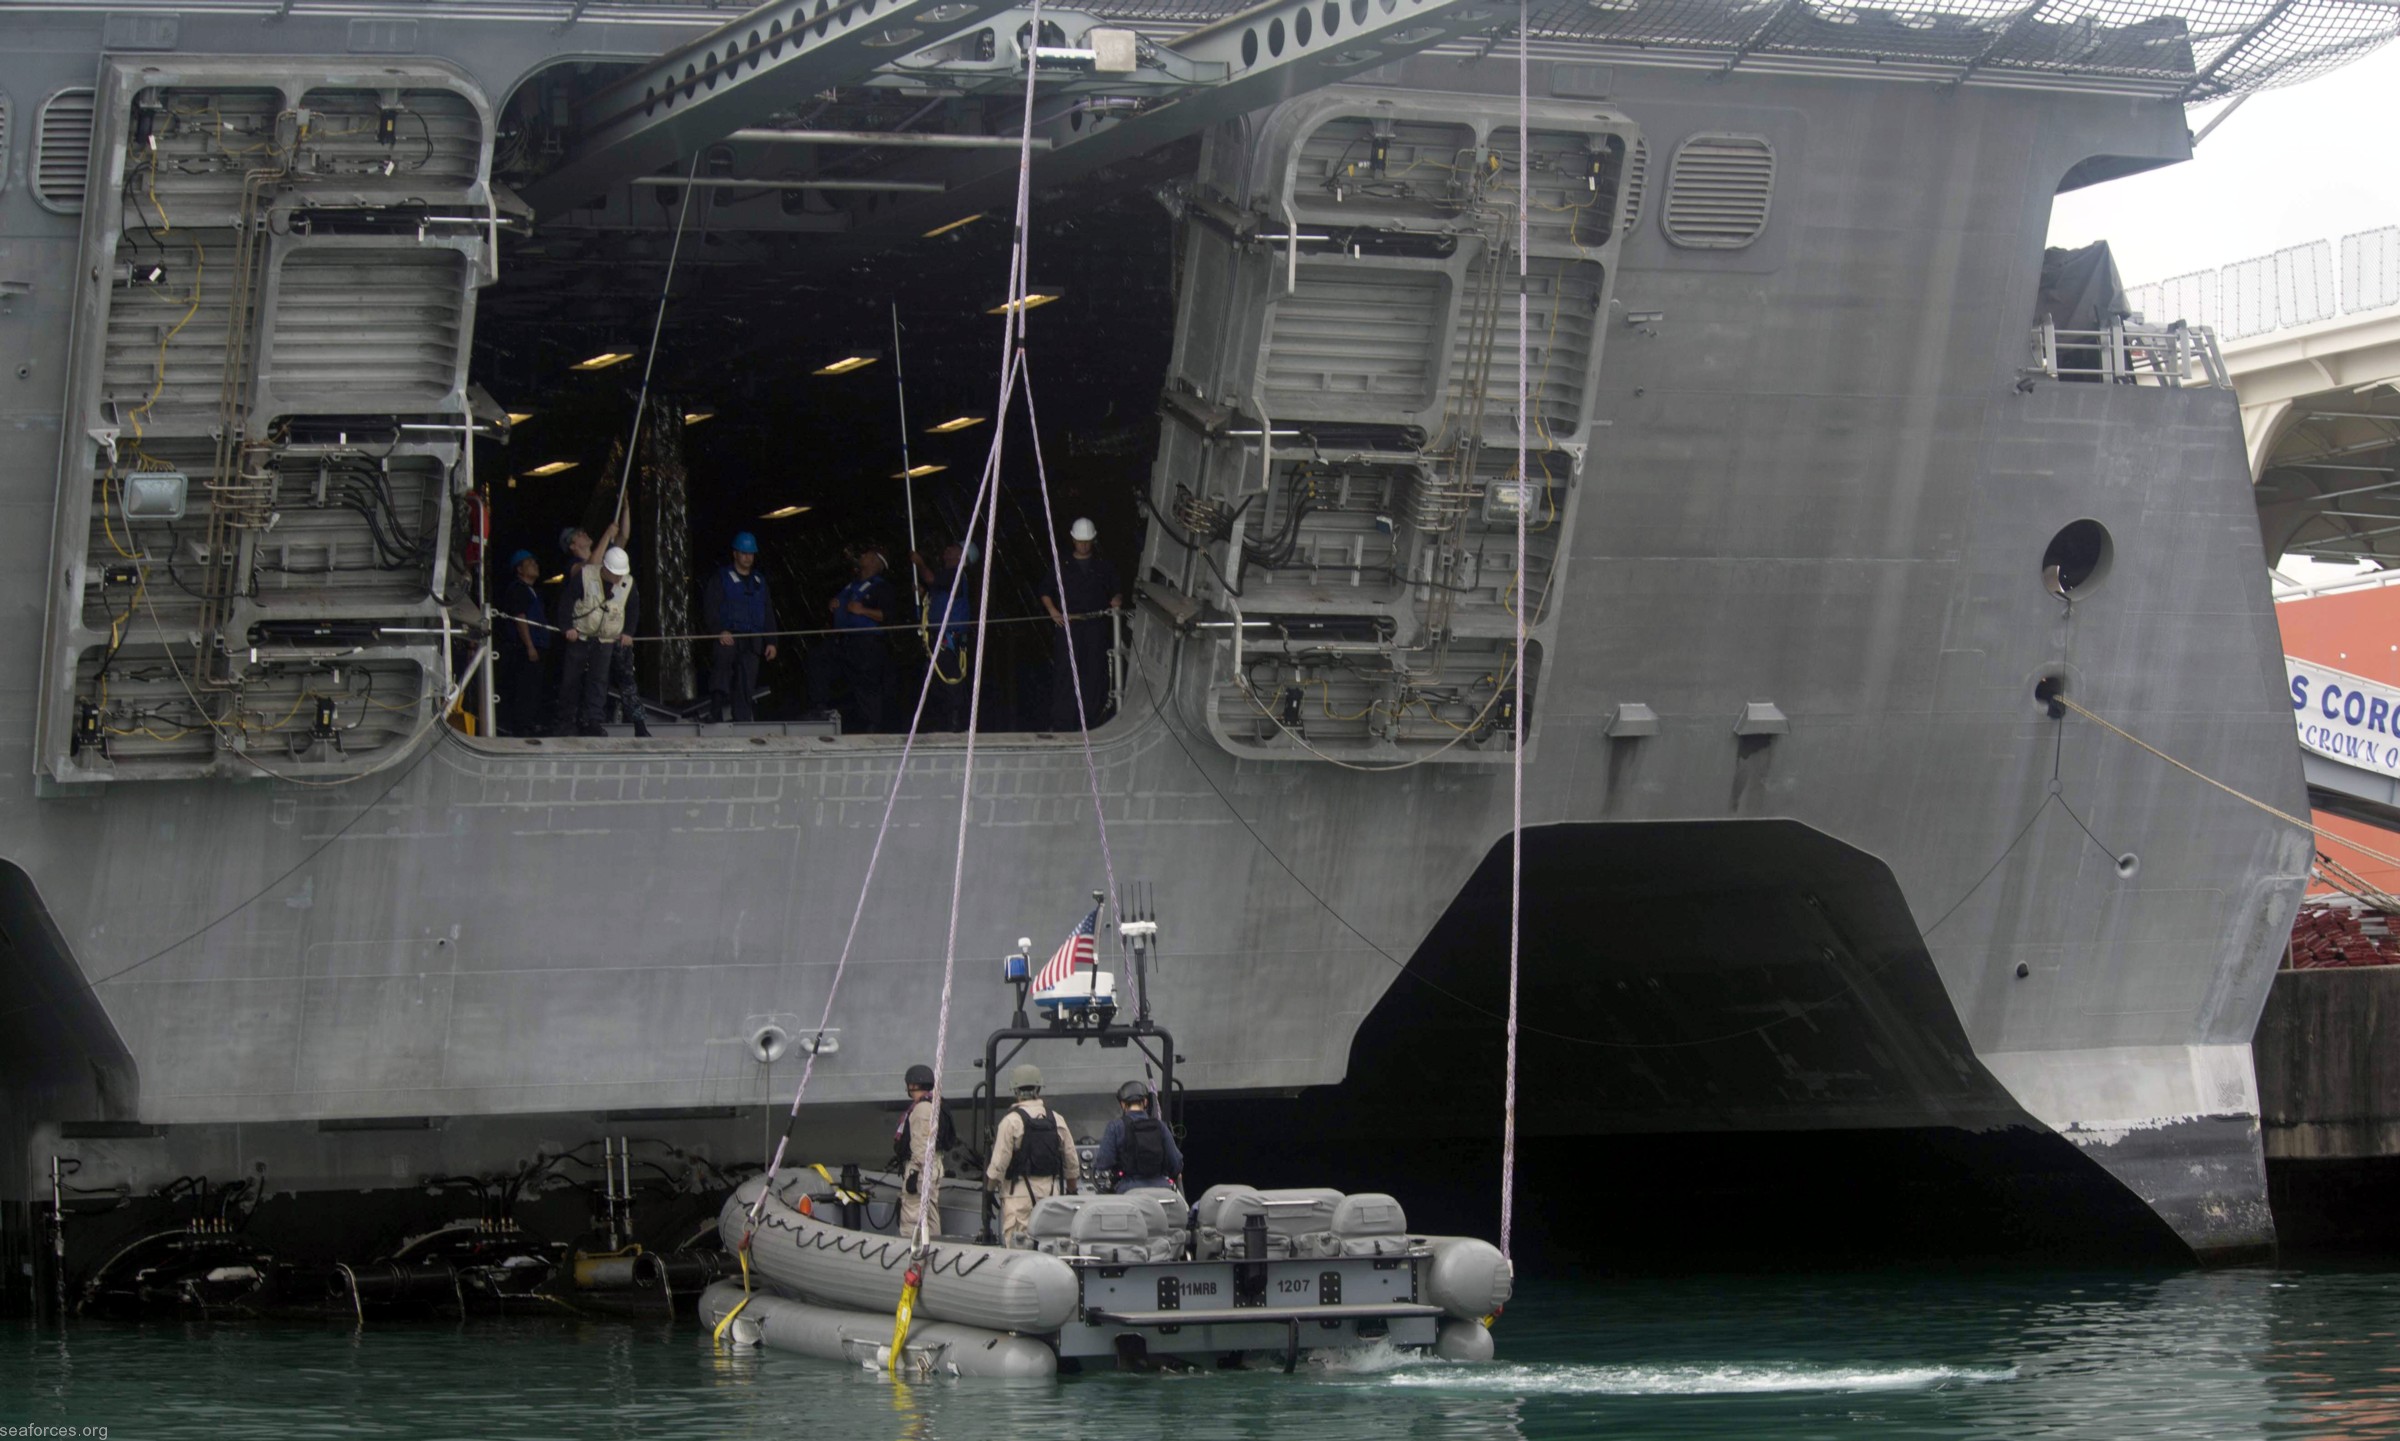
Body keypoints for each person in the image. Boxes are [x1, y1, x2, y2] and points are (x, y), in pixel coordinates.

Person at [1038, 517, 1121, 731]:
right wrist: (1053, 612)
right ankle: (1062, 722)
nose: (1083, 545)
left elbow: (1116, 590)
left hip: (1095, 627)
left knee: (1093, 673)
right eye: (1080, 541)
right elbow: (1046, 591)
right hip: (1069, 627)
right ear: (1073, 540)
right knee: (1066, 673)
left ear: (1092, 541)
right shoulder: (1061, 565)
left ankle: (1092, 722)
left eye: (1087, 541)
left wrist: (1117, 600)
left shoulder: (1103, 566)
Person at [983, 1064, 1078, 1247]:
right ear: (1039, 1088)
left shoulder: (1011, 1121)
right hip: (1051, 1195)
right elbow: (1071, 1160)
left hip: (1019, 1195)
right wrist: (1072, 1190)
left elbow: (999, 1164)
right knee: (1051, 1248)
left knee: (1019, 1251)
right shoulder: (1056, 1119)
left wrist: (989, 1191)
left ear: (1015, 1090)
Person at [808, 546, 894, 733]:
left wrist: (863, 610)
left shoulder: (881, 587)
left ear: (875, 562)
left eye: (866, 554)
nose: (862, 556)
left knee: (866, 685)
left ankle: (873, 726)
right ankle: (820, 707)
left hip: (866, 643)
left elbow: (887, 616)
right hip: (843, 640)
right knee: (820, 660)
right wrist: (833, 605)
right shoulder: (852, 584)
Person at [557, 545, 633, 736]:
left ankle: (593, 721)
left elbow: (633, 609)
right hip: (580, 635)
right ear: (605, 569)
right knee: (571, 679)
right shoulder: (585, 576)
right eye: (615, 574)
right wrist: (567, 627)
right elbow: (566, 601)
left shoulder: (628, 583)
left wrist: (628, 632)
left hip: (606, 639)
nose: (618, 578)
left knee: (599, 681)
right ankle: (567, 722)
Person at [703, 532, 778, 724]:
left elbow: (767, 612)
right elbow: (710, 608)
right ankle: (716, 711)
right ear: (735, 554)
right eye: (744, 553)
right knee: (721, 671)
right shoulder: (721, 578)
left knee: (746, 683)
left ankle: (743, 720)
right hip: (729, 635)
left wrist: (771, 641)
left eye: (751, 554)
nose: (748, 557)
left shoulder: (759, 582)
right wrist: (719, 630)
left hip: (752, 638)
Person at [910, 540, 975, 732]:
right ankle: (941, 722)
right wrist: (924, 593)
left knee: (949, 680)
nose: (947, 548)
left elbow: (930, 578)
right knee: (935, 682)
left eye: (953, 547)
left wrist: (919, 563)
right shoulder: (946, 579)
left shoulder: (955, 576)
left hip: (948, 639)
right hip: (937, 638)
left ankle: (955, 724)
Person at [893, 1062, 955, 1241]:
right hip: (933, 1167)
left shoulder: (921, 1109)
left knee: (913, 1218)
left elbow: (921, 1147)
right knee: (930, 1215)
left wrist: (915, 1175)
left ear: (912, 1085)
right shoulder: (937, 1104)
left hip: (920, 1171)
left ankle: (914, 1258)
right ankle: (934, 1248)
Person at [1092, 1080, 1183, 1195]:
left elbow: (1103, 1162)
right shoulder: (1160, 1126)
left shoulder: (1115, 1127)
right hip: (1162, 1191)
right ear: (1145, 1102)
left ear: (1123, 1104)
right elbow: (1176, 1163)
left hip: (1129, 1191)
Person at [495, 549, 550, 737]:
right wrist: (529, 646)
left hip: (537, 644)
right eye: (530, 563)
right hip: (525, 648)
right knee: (525, 687)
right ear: (519, 569)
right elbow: (521, 618)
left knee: (534, 687)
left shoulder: (533, 590)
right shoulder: (518, 589)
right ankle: (521, 725)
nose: (535, 565)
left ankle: (529, 722)